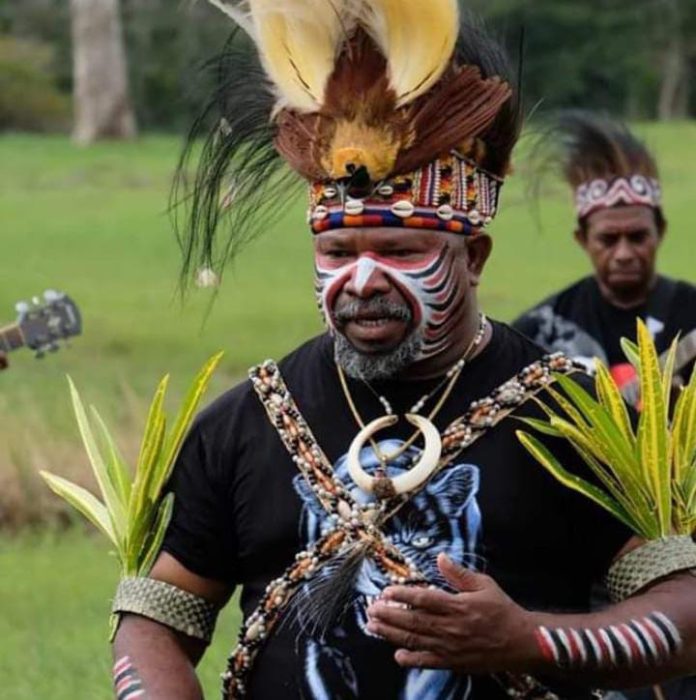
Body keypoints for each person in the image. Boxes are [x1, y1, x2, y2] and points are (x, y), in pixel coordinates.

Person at [110, 4, 696, 700]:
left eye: (400, 250)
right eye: (337, 252)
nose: (361, 281)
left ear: (472, 255)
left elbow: (684, 613)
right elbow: (157, 617)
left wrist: (523, 639)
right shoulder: (248, 423)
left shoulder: (574, 413)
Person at [513, 112, 696, 408]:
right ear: (582, 239)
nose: (624, 254)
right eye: (608, 240)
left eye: (637, 237)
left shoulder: (689, 310)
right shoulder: (541, 329)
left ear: (659, 232)